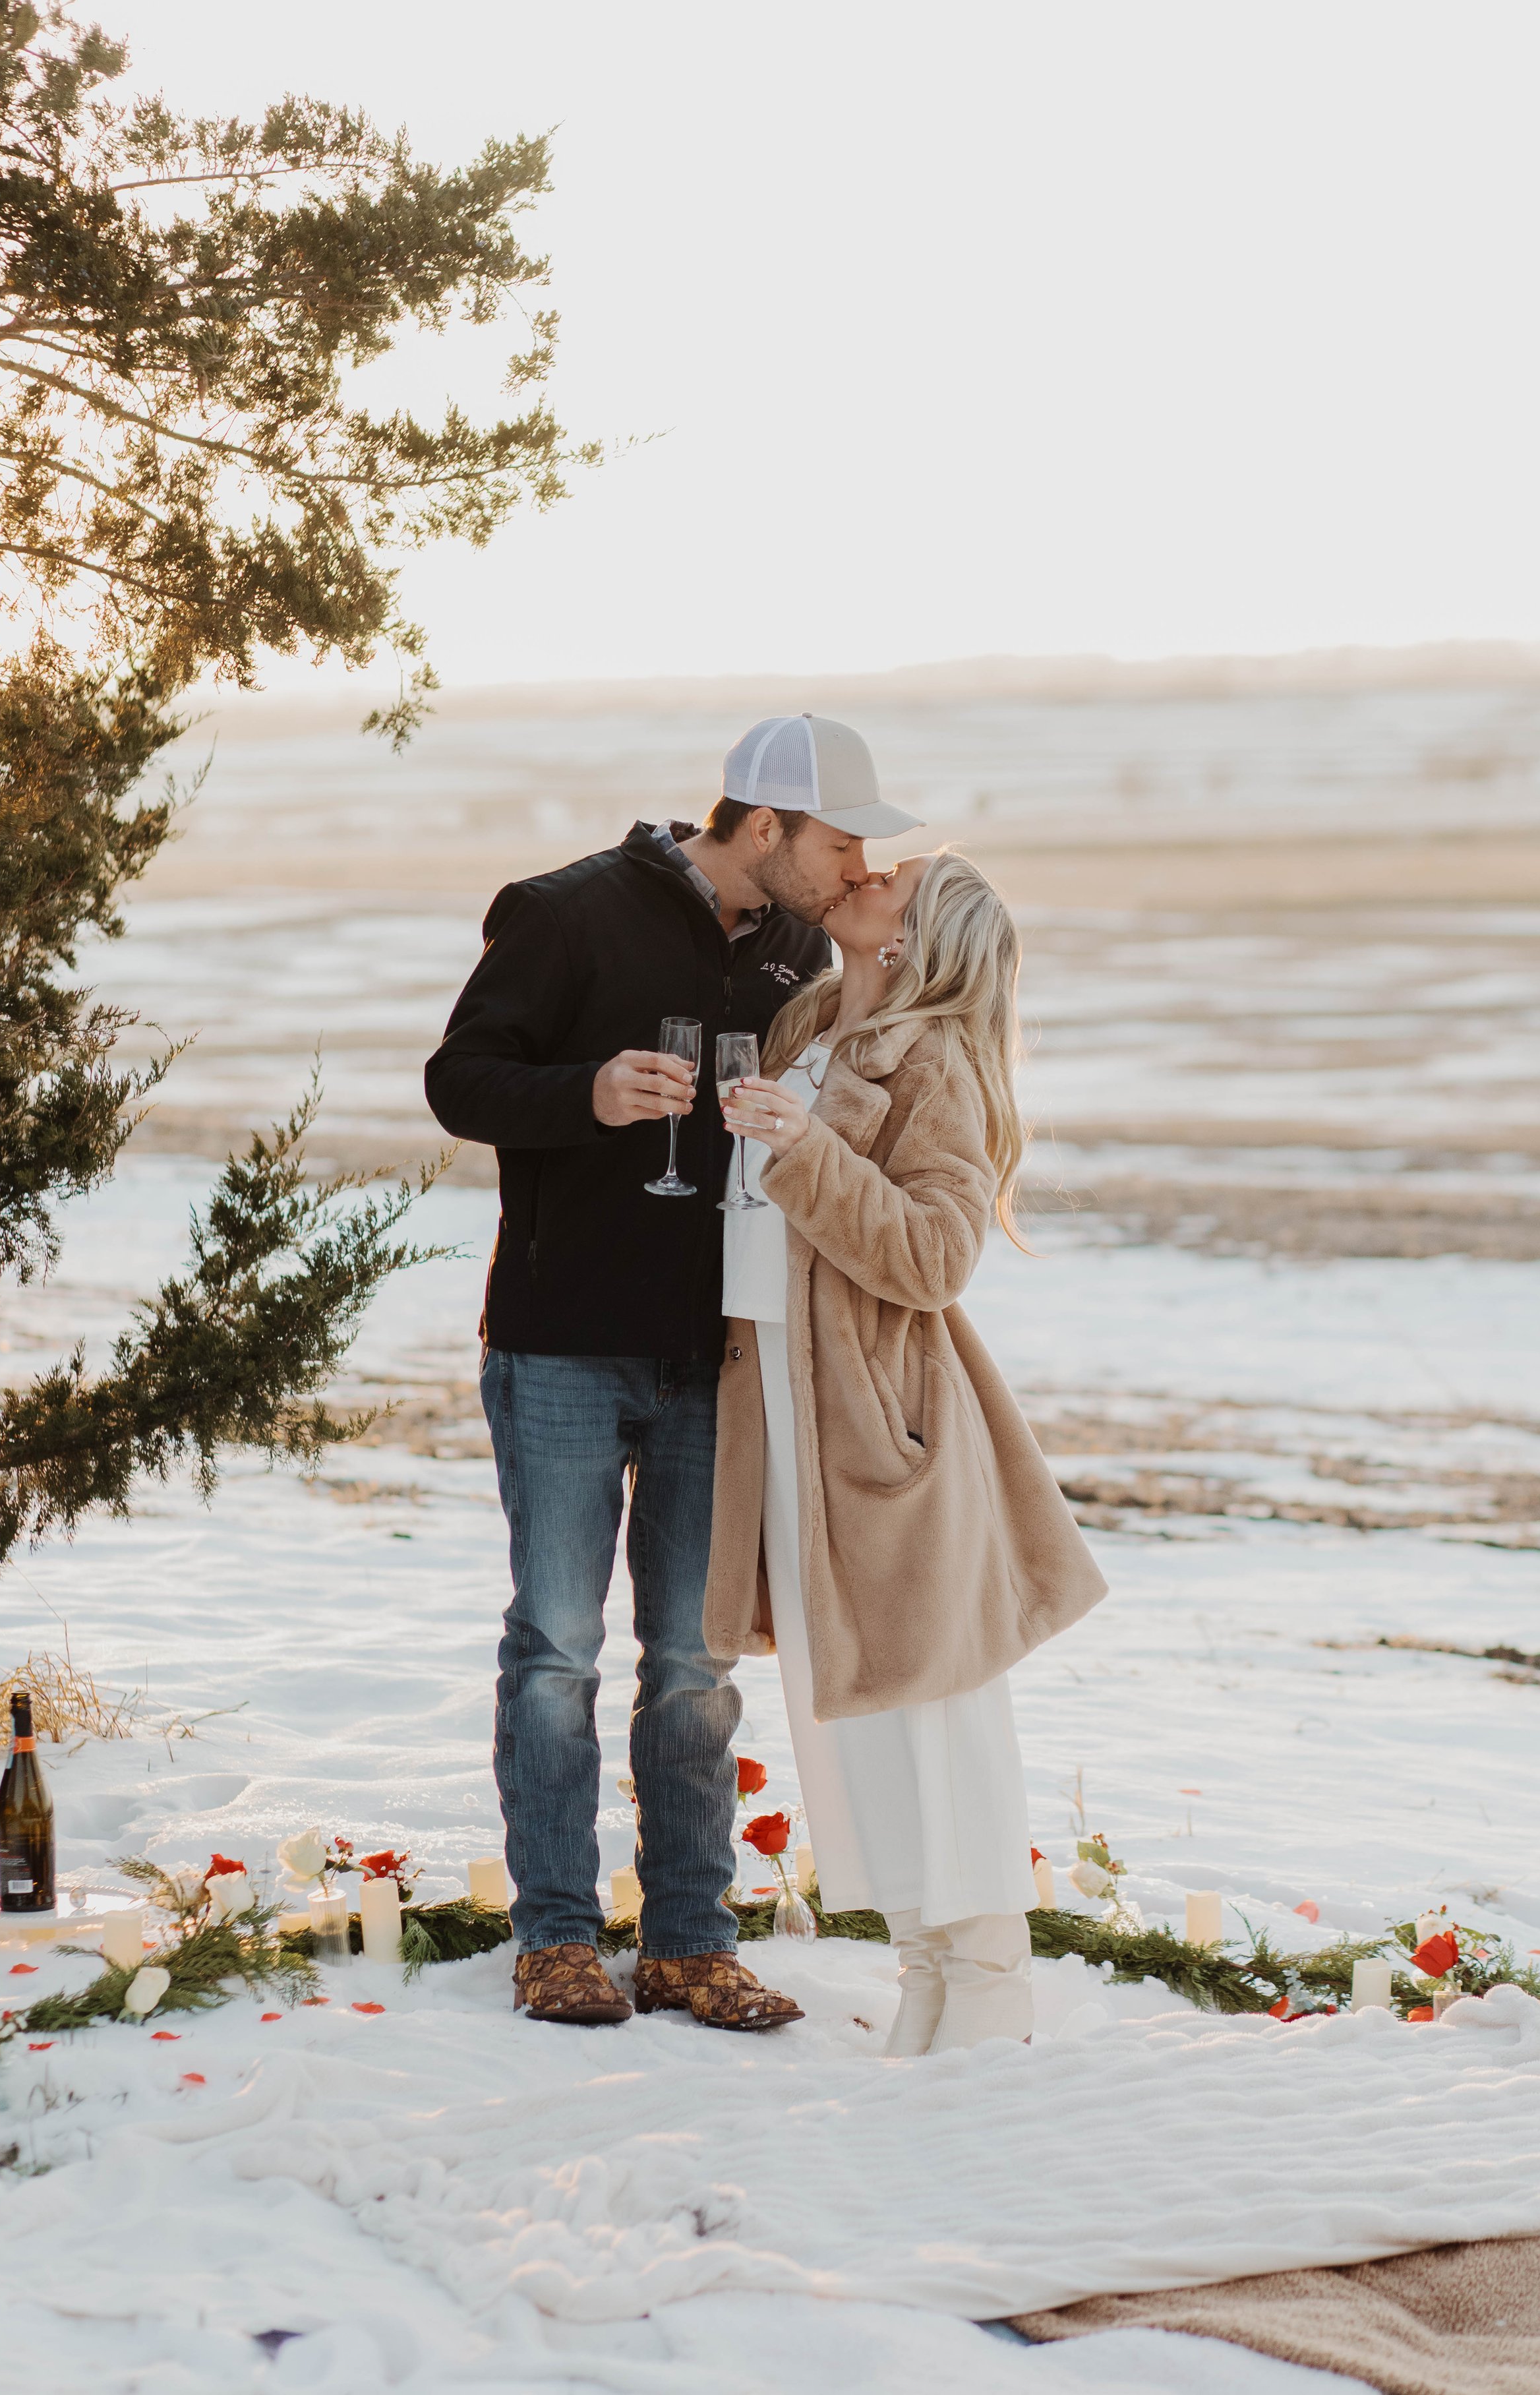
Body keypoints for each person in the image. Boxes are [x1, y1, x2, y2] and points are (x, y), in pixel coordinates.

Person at [423, 713, 920, 2028]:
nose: (853, 860)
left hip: (721, 1357)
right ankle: (556, 1940)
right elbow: (459, 1079)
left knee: (694, 1663)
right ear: (765, 827)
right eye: (838, 838)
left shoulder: (801, 951)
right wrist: (585, 1094)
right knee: (555, 1650)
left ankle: (692, 1942)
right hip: (559, 1344)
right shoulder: (562, 913)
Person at [704, 850, 1109, 2053]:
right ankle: (925, 1977)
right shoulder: (805, 1021)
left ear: (915, 933)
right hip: (776, 1398)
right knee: (850, 1705)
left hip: (885, 1418)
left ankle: (988, 1988)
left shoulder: (936, 1060)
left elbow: (936, 1255)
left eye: (900, 876)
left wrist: (803, 1149)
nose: (866, 869)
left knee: (935, 1698)